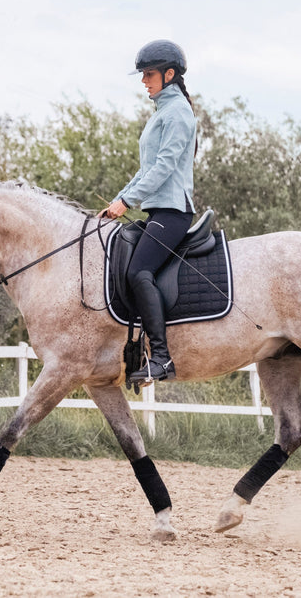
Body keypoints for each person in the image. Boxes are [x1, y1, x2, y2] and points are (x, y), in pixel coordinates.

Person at [99, 39, 197, 383]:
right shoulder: (162, 114)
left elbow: (165, 167)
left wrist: (127, 201)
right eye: (142, 74)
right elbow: (146, 169)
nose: (144, 80)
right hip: (158, 209)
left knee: (140, 271)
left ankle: (162, 358)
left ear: (169, 74)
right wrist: (119, 198)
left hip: (173, 212)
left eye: (149, 74)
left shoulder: (178, 113)